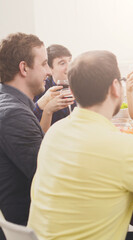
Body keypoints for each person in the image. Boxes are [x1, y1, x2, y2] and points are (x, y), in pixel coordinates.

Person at [28, 50, 133, 240]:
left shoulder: (54, 133)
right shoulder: (124, 147)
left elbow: (93, 167)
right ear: (116, 87)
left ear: (73, 91)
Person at [0, 32, 51, 240]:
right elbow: (48, 177)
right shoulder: (14, 114)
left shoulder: (9, 103)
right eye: (45, 64)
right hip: (31, 227)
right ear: (24, 68)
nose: (48, 71)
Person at [33, 44, 75, 133]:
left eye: (70, 61)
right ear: (50, 68)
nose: (69, 66)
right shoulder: (42, 90)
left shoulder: (79, 86)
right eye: (62, 63)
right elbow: (34, 128)